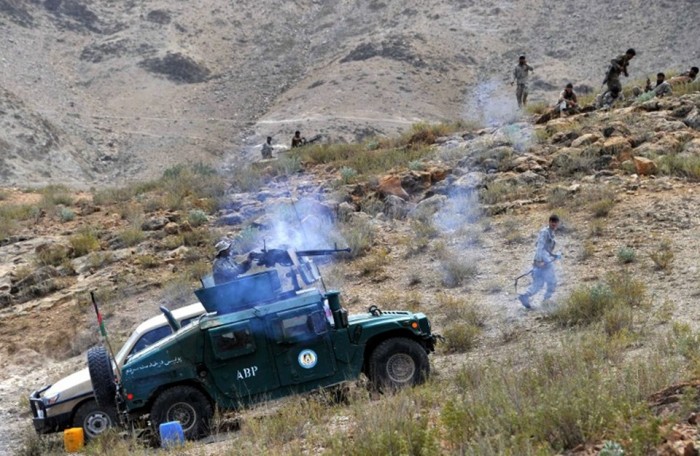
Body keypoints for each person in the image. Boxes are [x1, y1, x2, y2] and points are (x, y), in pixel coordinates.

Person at [518, 214, 562, 309]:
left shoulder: (551, 233)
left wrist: (554, 255)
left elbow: (547, 249)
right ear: (549, 222)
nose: (554, 224)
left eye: (555, 222)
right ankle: (546, 301)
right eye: (552, 222)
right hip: (543, 261)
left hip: (545, 260)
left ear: (558, 223)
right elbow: (539, 247)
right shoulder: (544, 232)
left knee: (539, 282)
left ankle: (525, 296)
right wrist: (538, 261)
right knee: (552, 281)